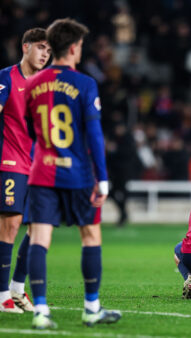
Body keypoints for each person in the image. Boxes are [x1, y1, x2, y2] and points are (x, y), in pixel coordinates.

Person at [25, 18, 121, 329]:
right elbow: (94, 136)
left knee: (40, 239)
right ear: (74, 47)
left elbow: (30, 130)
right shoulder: (85, 83)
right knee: (90, 236)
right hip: (78, 174)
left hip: (41, 174)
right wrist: (102, 178)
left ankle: (40, 310)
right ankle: (91, 307)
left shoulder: (33, 84)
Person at [0, 28, 51, 314]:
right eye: (41, 47)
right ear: (25, 47)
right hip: (11, 162)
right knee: (11, 225)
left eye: (49, 50)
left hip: (40, 168)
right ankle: (1, 294)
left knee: (39, 228)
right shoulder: (6, 78)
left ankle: (18, 288)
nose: (45, 54)